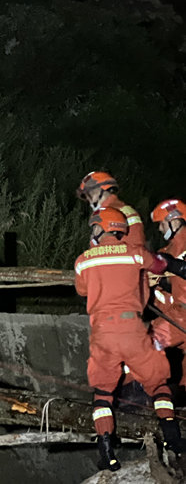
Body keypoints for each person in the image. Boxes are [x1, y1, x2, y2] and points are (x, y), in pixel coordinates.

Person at [74, 207, 186, 471]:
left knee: (102, 392)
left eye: (94, 228)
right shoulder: (135, 253)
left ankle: (107, 452)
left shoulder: (83, 260)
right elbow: (160, 264)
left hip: (102, 333)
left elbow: (81, 290)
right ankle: (172, 438)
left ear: (101, 228)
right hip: (132, 329)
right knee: (158, 382)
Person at [149, 199, 186, 389]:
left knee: (146, 346)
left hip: (180, 316)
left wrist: (171, 264)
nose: (160, 229)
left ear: (175, 220)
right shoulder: (165, 251)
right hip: (171, 314)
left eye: (162, 223)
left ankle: (139, 395)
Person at [77, 171, 145, 246]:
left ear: (100, 190)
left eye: (89, 195)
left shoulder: (118, 212)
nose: (89, 200)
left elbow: (136, 245)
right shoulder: (124, 210)